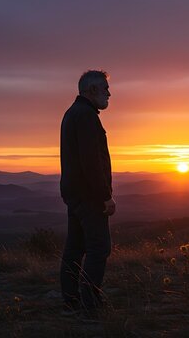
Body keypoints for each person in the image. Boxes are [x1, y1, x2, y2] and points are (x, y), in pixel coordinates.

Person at [59, 70, 115, 316]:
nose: (109, 93)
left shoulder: (73, 113)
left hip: (74, 193)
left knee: (75, 247)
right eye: (104, 88)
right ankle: (90, 302)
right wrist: (105, 195)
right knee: (99, 247)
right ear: (91, 90)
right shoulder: (86, 117)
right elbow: (91, 163)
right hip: (89, 194)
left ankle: (71, 299)